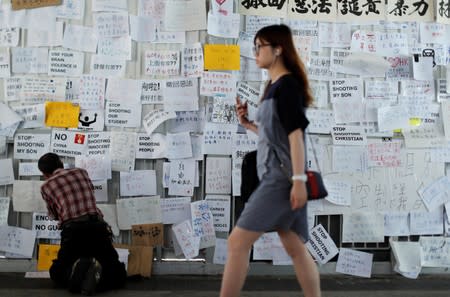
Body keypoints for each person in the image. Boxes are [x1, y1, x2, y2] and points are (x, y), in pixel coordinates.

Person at [220, 25, 321, 297]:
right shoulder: (273, 86)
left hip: (280, 180)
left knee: (237, 242)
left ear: (277, 50)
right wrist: (247, 123)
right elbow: (272, 136)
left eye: (259, 47)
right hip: (281, 178)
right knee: (296, 248)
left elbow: (295, 136)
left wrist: (299, 182)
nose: (255, 53)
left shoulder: (286, 86)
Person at [38, 153, 126, 296]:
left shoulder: (46, 186)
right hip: (97, 227)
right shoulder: (81, 172)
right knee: (117, 273)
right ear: (61, 164)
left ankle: (77, 274)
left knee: (57, 274)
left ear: (44, 173)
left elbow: (54, 214)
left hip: (73, 232)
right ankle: (97, 278)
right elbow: (90, 191)